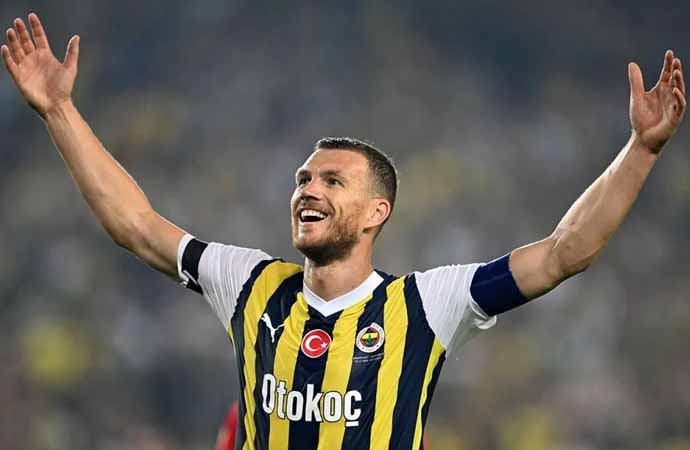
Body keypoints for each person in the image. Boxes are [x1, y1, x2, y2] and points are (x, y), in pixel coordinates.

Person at [2, 12, 686, 450]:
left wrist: (642, 149)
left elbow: (564, 253)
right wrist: (59, 111)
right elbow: (136, 226)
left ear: (377, 212)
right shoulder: (249, 283)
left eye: (333, 181)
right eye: (303, 178)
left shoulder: (427, 304)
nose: (308, 189)